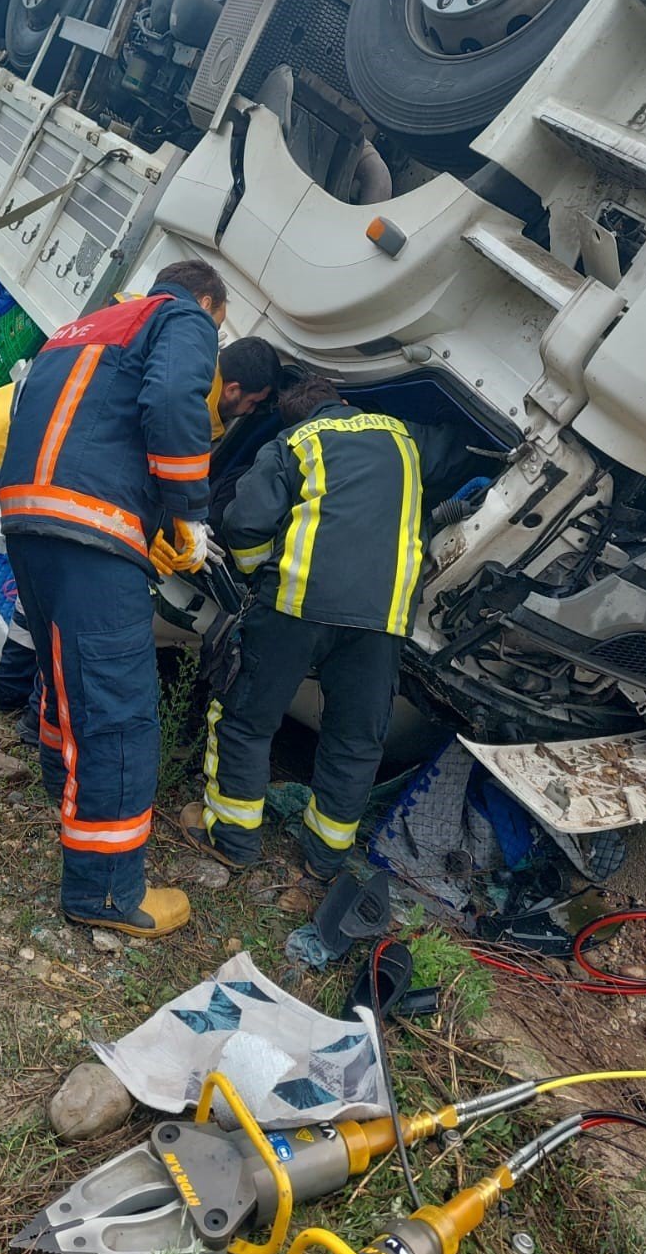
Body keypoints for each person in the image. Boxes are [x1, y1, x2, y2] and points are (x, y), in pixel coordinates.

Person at [0, 258, 228, 938]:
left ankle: (61, 792)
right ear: (210, 301)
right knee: (120, 714)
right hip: (93, 531)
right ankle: (105, 891)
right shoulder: (182, 316)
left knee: (63, 678)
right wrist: (187, 512)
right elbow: (170, 401)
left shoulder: (81, 326)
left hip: (28, 518)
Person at [180, 375, 461, 880]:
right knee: (355, 740)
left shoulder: (290, 443)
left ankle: (233, 839)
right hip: (383, 617)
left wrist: (258, 572)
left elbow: (244, 524)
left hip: (296, 603)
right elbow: (461, 448)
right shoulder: (403, 436)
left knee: (246, 717)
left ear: (297, 416)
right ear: (345, 401)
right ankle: (325, 858)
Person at [0, 335, 283, 740]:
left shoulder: (192, 374)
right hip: (30, 452)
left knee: (45, 586)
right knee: (74, 601)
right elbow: (130, 468)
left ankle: (6, 689)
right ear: (234, 389)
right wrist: (164, 534)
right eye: (253, 403)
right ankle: (39, 723)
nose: (250, 412)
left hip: (24, 436)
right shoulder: (188, 403)